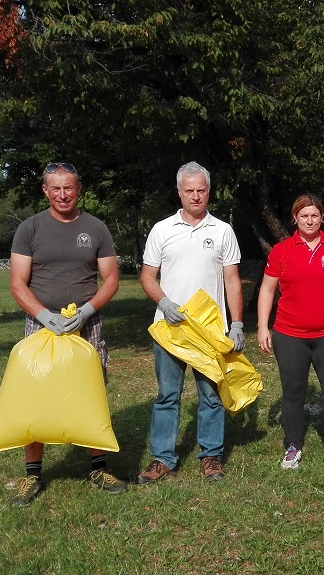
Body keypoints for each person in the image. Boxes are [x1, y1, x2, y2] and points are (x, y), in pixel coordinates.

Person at [7, 161, 126, 507]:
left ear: (79, 189)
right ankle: (31, 474)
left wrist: (87, 310)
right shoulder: (29, 229)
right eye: (55, 188)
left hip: (86, 326)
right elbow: (17, 283)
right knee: (34, 395)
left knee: (92, 392)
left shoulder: (97, 228)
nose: (62, 194)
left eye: (68, 187)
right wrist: (44, 315)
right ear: (45, 191)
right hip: (40, 326)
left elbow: (112, 279)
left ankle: (99, 468)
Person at [137, 161, 245, 485]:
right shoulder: (161, 230)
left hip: (210, 329)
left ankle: (211, 456)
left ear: (208, 192)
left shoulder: (223, 231)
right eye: (189, 190)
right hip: (169, 329)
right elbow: (147, 276)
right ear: (179, 192)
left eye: (201, 190)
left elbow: (233, 281)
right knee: (167, 395)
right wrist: (164, 302)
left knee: (211, 395)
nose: (196, 196)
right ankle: (162, 459)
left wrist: (237, 324)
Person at [256, 194, 324, 471]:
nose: (310, 220)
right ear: (295, 218)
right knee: (293, 393)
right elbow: (267, 290)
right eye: (304, 216)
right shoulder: (281, 251)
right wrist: (261, 327)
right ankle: (293, 447)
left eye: (314, 215)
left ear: (322, 217)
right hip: (289, 335)